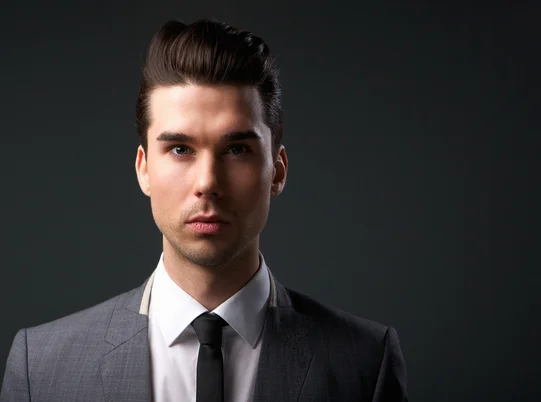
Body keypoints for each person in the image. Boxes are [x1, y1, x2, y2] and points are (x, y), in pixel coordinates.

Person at [0, 18, 408, 402]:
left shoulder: (365, 363)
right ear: (144, 169)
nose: (208, 182)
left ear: (277, 171)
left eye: (236, 150)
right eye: (180, 149)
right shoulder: (43, 368)